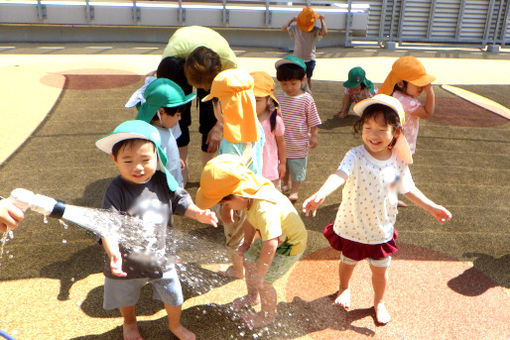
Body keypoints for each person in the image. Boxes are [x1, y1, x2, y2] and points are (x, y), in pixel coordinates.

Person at [302, 94, 452, 325]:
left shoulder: (397, 161)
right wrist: (322, 193)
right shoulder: (355, 156)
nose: (373, 134)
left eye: (382, 129)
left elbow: (407, 189)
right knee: (347, 261)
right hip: (352, 224)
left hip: (380, 227)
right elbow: (339, 175)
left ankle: (379, 302)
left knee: (381, 271)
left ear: (396, 133)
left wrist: (431, 207)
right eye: (368, 127)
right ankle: (344, 288)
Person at [95, 120, 218, 340]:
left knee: (173, 295)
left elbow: (180, 202)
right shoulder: (116, 190)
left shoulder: (162, 181)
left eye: (145, 160)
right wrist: (113, 253)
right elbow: (108, 226)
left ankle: (175, 325)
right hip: (127, 259)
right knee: (126, 297)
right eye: (128, 161)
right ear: (114, 160)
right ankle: (129, 323)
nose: (138, 167)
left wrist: (197, 212)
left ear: (157, 157)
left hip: (162, 256)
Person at [195, 154, 307, 329]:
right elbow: (250, 221)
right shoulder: (252, 192)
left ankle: (267, 315)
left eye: (226, 204)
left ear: (238, 195)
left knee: (266, 282)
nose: (226, 208)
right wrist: (247, 243)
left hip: (289, 244)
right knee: (248, 259)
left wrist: (261, 276)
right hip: (272, 236)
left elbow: (271, 244)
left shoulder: (264, 208)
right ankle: (252, 297)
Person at [201, 68, 265, 279]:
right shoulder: (256, 125)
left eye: (215, 101)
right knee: (249, 235)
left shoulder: (231, 138)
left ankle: (238, 271)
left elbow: (229, 178)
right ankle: (246, 266)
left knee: (235, 239)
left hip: (236, 198)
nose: (214, 106)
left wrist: (225, 205)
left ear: (225, 104)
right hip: (254, 192)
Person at [163, 26, 238, 167]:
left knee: (211, 113)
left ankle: (208, 169)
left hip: (215, 54)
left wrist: (220, 125)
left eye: (203, 86)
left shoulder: (229, 64)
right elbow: (167, 99)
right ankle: (181, 168)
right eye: (196, 84)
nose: (199, 89)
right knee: (178, 114)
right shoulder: (171, 59)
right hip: (181, 55)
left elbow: (234, 97)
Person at [275, 55, 321, 203]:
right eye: (284, 84)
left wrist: (314, 136)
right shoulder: (279, 98)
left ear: (302, 80)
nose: (289, 88)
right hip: (282, 141)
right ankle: (285, 184)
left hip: (299, 141)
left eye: (293, 83)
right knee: (284, 164)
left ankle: (294, 190)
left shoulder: (306, 99)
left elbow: (313, 119)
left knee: (297, 167)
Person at [135, 77, 196, 187]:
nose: (180, 118)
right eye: (177, 115)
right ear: (161, 112)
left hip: (174, 188)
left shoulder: (165, 128)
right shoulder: (150, 137)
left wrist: (176, 159)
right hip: (163, 192)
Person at [379, 56, 436, 154]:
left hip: (392, 144)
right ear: (401, 84)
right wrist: (430, 92)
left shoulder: (395, 95)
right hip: (402, 147)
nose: (422, 87)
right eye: (417, 84)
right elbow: (427, 112)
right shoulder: (406, 102)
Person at [251, 71, 286, 189]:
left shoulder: (275, 120)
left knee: (271, 202)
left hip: (270, 170)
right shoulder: (242, 119)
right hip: (249, 172)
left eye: (257, 100)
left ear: (269, 100)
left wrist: (283, 163)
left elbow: (281, 142)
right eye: (248, 98)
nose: (252, 104)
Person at [281, 7, 327, 90]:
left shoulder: (314, 30)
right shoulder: (296, 28)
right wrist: (291, 20)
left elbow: (324, 32)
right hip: (297, 59)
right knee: (296, 78)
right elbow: (283, 28)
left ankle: (308, 96)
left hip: (309, 59)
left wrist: (322, 20)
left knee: (308, 79)